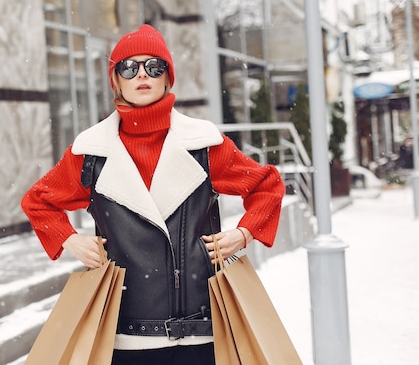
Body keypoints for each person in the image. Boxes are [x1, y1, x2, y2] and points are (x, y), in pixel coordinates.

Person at [21, 24, 285, 365]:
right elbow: (38, 201)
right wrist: (69, 239)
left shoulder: (203, 144)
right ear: (115, 80)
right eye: (129, 68)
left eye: (153, 66)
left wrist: (243, 233)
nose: (141, 75)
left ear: (167, 78)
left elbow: (267, 184)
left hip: (202, 326)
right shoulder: (90, 151)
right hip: (125, 330)